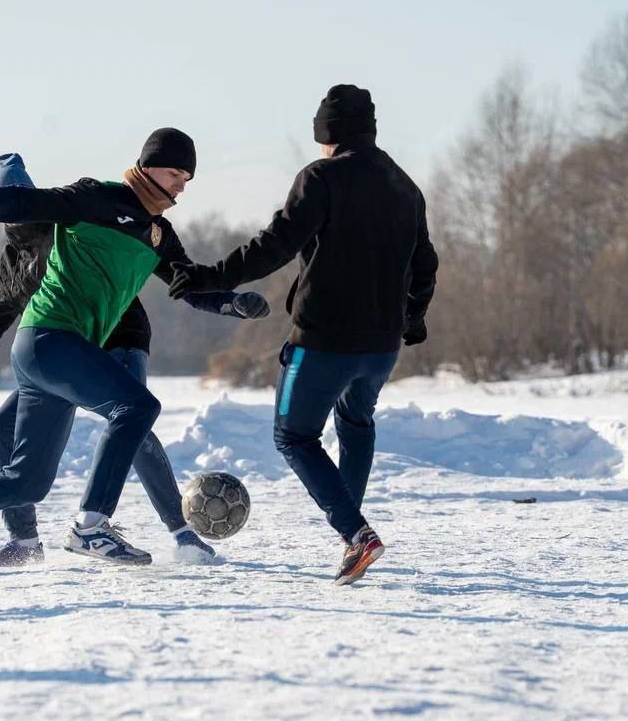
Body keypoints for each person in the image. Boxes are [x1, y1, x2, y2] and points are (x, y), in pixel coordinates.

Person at [0, 152, 269, 566]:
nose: (18, 210)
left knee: (133, 417)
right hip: (54, 346)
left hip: (117, 338)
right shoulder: (16, 262)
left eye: (21, 196)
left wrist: (229, 304)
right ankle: (17, 539)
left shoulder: (70, 214)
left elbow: (185, 279)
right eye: (7, 202)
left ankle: (180, 533)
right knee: (3, 436)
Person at [169, 85, 438, 585]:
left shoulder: (322, 177)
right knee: (356, 422)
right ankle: (351, 533)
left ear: (328, 134)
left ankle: (356, 533)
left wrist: (212, 276)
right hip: (382, 345)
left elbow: (274, 246)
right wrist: (413, 318)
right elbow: (426, 264)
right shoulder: (405, 186)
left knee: (292, 435)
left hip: (324, 340)